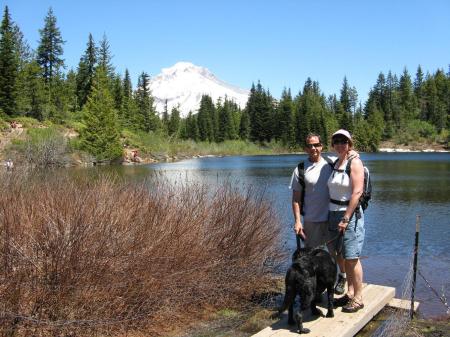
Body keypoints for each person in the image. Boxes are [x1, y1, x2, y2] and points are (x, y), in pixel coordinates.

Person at [289, 133, 354, 295]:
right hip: (311, 220)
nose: (313, 148)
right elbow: (296, 199)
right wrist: (297, 221)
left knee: (337, 253)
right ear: (306, 148)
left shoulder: (332, 163)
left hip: (333, 217)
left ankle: (342, 277)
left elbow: (350, 160)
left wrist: (353, 154)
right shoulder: (300, 169)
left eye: (316, 145)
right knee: (312, 256)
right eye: (310, 145)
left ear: (322, 146)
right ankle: (315, 288)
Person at [327, 129, 366, 313]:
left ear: (350, 144)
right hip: (333, 213)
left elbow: (357, 192)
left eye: (344, 141)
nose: (340, 144)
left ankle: (358, 298)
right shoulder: (336, 162)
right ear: (333, 144)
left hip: (348, 215)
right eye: (337, 141)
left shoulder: (355, 162)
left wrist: (346, 217)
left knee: (352, 258)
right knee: (340, 255)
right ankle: (349, 293)